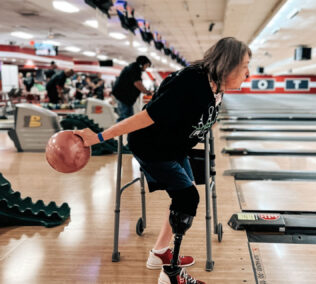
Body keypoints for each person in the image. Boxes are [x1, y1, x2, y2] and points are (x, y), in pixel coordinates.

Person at [74, 37, 251, 284]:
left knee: (183, 196)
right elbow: (145, 118)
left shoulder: (217, 87)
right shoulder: (189, 82)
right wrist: (99, 137)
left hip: (175, 147)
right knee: (188, 198)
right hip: (153, 147)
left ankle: (159, 254)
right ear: (228, 64)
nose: (248, 73)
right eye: (244, 66)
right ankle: (169, 276)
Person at [112, 55, 153, 122]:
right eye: (146, 65)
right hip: (123, 97)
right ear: (142, 64)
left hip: (125, 97)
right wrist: (147, 92)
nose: (146, 68)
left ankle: (125, 131)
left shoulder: (133, 67)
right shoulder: (135, 69)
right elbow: (137, 83)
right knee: (125, 118)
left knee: (129, 117)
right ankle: (117, 132)